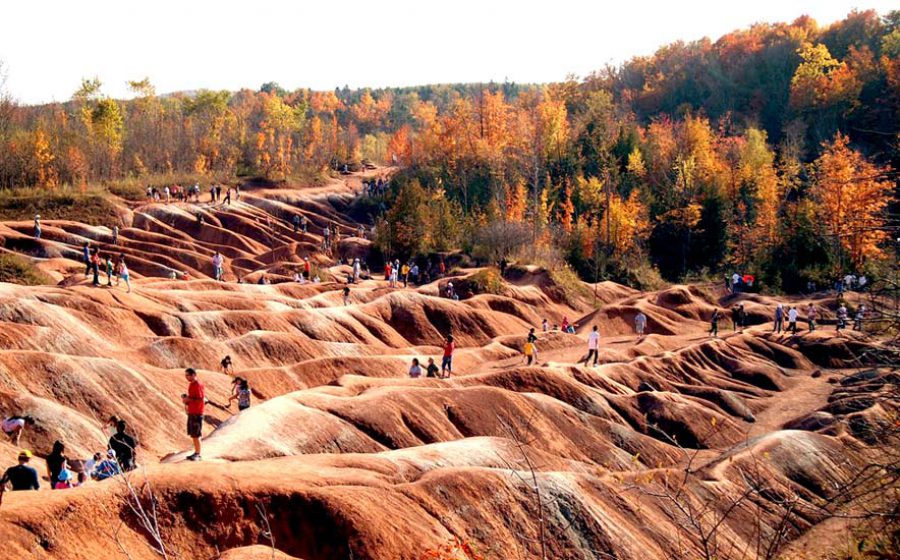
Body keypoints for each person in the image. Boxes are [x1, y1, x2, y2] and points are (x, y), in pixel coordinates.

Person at [182, 368, 205, 461]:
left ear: (194, 374)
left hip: (197, 412)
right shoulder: (192, 385)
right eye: (186, 375)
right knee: (193, 435)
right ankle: (196, 452)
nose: (186, 377)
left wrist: (188, 399)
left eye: (188, 375)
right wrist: (187, 400)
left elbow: (200, 399)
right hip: (192, 412)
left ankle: (198, 454)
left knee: (196, 434)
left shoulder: (197, 385)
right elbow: (194, 398)